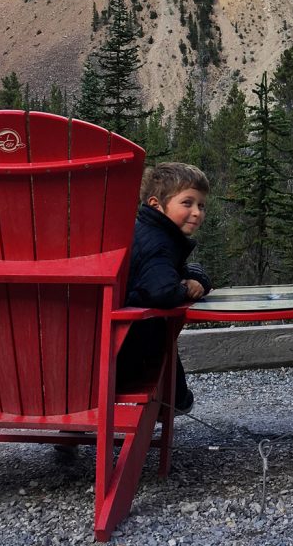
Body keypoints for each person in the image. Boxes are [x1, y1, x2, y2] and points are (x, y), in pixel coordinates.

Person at [117, 161, 212, 415]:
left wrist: (195, 277)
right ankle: (174, 401)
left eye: (201, 206)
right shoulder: (159, 243)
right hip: (125, 358)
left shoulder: (142, 232)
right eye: (187, 203)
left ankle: (174, 401)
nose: (197, 212)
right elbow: (162, 290)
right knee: (161, 335)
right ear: (156, 205)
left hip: (102, 352)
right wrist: (185, 288)